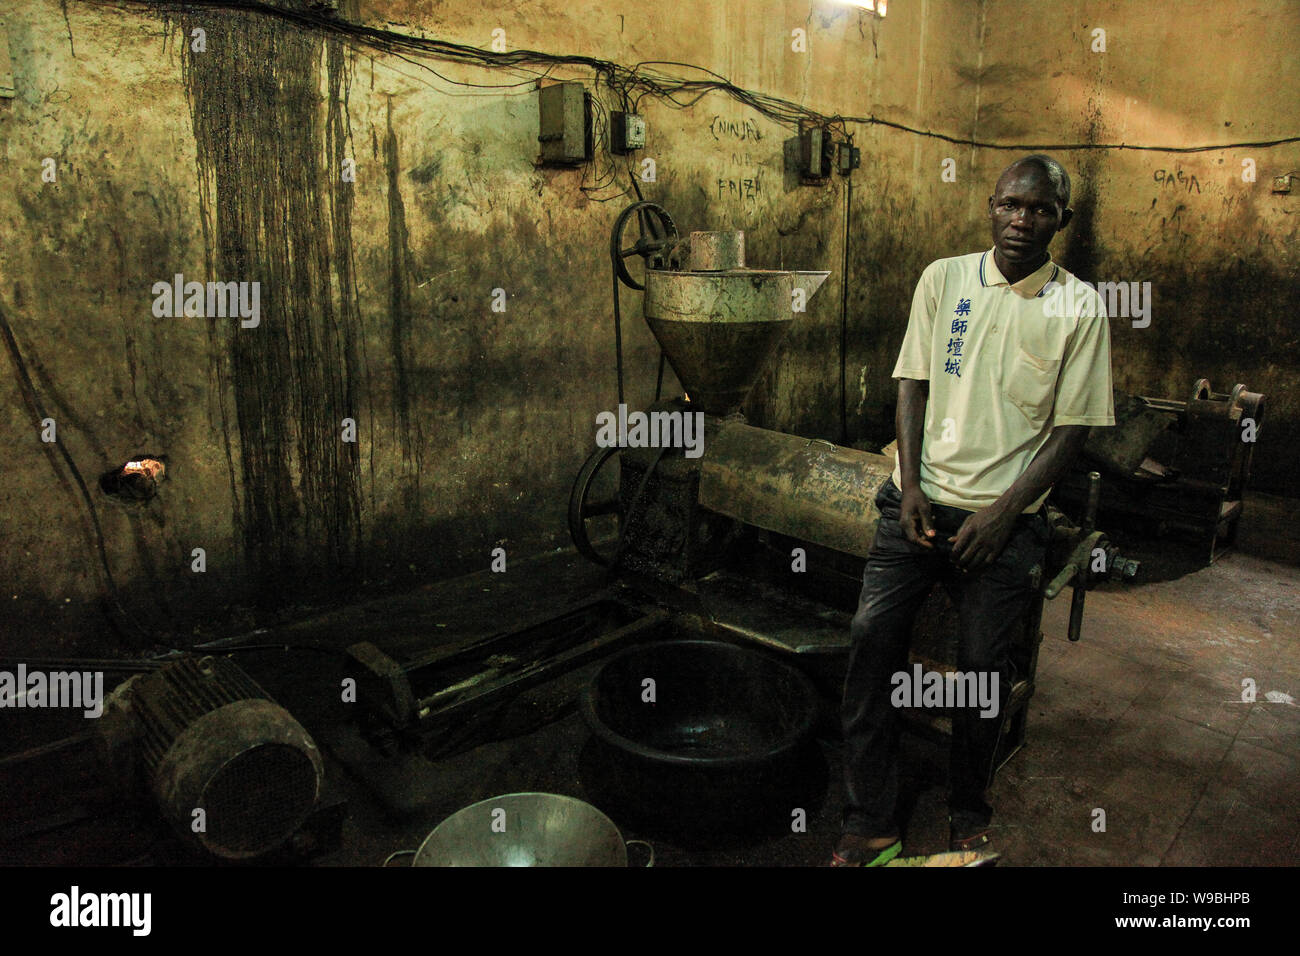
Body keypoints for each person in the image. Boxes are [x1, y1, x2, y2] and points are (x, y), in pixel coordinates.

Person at [831, 155, 1115, 866]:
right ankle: (870, 816)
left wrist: (1003, 514)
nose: (1022, 220)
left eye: (1040, 209)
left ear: (1062, 221)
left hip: (1006, 521)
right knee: (870, 639)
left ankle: (967, 809)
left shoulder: (1077, 306)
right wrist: (912, 485)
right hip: (918, 502)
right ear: (990, 206)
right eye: (1010, 205)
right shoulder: (944, 278)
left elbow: (1072, 429)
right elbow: (912, 385)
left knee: (985, 668)